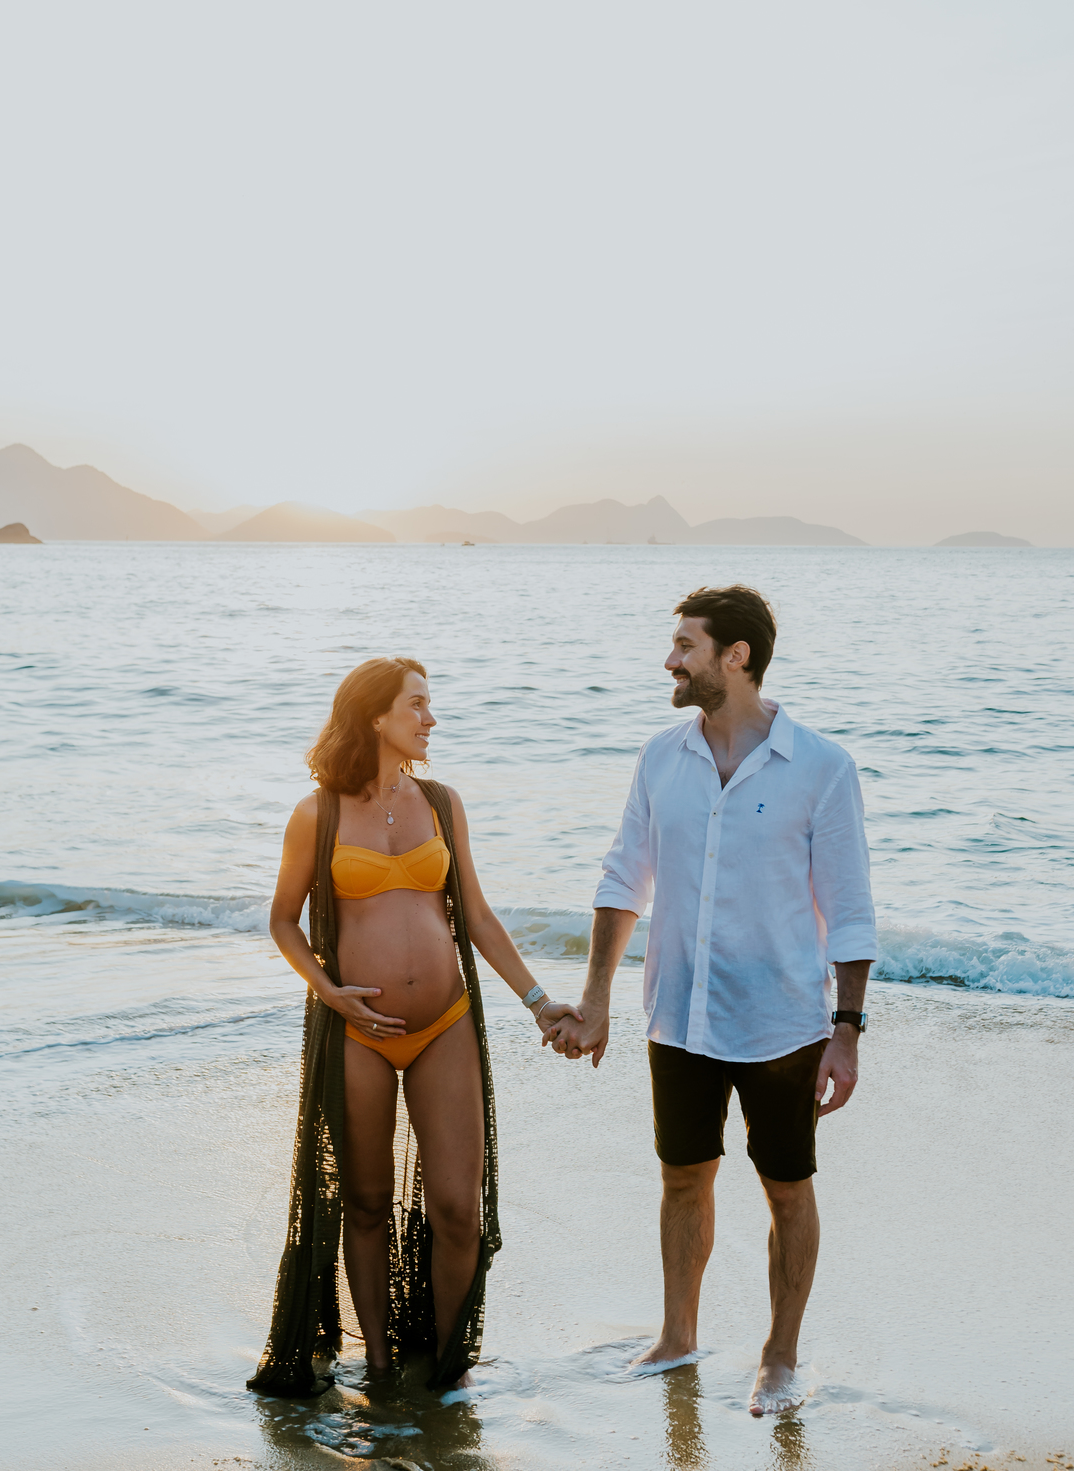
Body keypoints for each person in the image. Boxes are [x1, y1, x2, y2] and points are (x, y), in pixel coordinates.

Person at [544, 586, 876, 1416]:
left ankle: (781, 1357)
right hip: (679, 1016)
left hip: (783, 1026)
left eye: (685, 646)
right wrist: (597, 1001)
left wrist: (847, 1032)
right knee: (682, 1178)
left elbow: (851, 911)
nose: (670, 660)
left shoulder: (822, 767)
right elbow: (624, 880)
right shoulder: (662, 756)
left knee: (787, 1187)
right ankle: (678, 1336)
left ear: (737, 657)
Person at [247, 655, 575, 1396]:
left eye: (430, 705)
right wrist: (331, 993)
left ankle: (450, 1369)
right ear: (375, 717)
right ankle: (383, 1370)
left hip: (445, 1023)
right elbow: (281, 921)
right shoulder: (318, 812)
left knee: (458, 1209)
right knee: (363, 1203)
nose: (431, 719)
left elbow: (479, 919)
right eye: (418, 705)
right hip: (359, 1033)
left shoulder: (441, 802)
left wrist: (539, 1001)